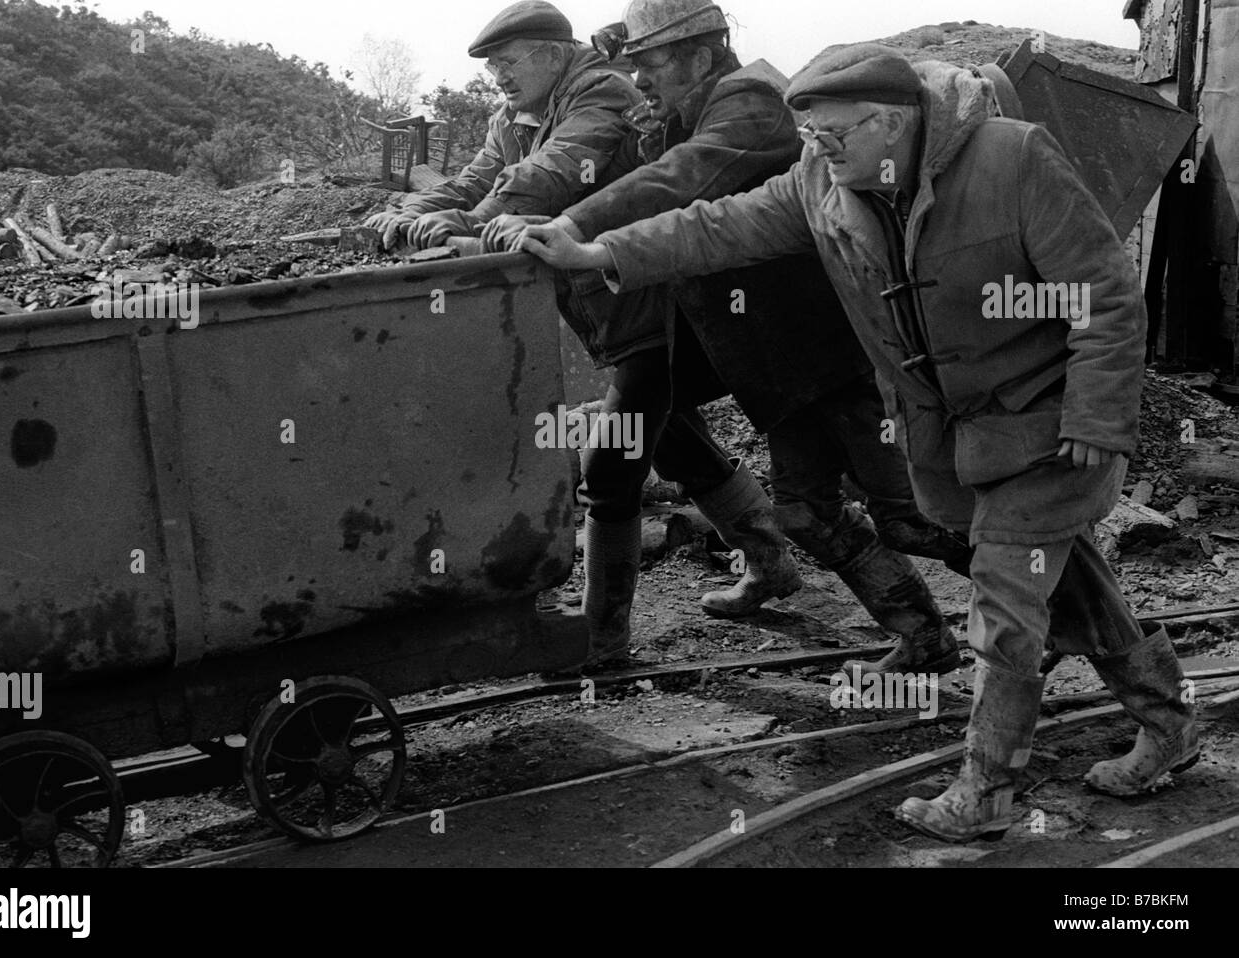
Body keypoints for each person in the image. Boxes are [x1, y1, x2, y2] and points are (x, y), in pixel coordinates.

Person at [516, 43, 1199, 841]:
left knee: (1007, 601)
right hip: (954, 431)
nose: (819, 149)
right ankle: (1171, 721)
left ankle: (988, 790)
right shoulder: (821, 183)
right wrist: (597, 251)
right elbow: (715, 228)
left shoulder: (1012, 160)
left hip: (1048, 418)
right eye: (810, 136)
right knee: (1072, 580)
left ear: (898, 122)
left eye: (835, 133)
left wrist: (1096, 415)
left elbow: (1104, 295)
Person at [486, 0, 970, 681]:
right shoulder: (686, 110)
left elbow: (685, 182)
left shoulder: (750, 100)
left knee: (915, 515)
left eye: (652, 63)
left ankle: (1054, 598)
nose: (641, 80)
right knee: (805, 510)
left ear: (702, 54)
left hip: (820, 348)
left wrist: (576, 224)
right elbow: (671, 183)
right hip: (765, 356)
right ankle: (925, 636)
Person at [366, 1, 781, 670]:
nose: (498, 76)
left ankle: (602, 637)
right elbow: (478, 179)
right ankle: (769, 561)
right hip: (605, 310)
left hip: (651, 304)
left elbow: (552, 174)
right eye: (493, 66)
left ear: (554, 56)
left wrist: (468, 226)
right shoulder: (513, 115)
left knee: (610, 469)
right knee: (675, 441)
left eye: (509, 61)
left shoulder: (598, 92)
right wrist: (414, 211)